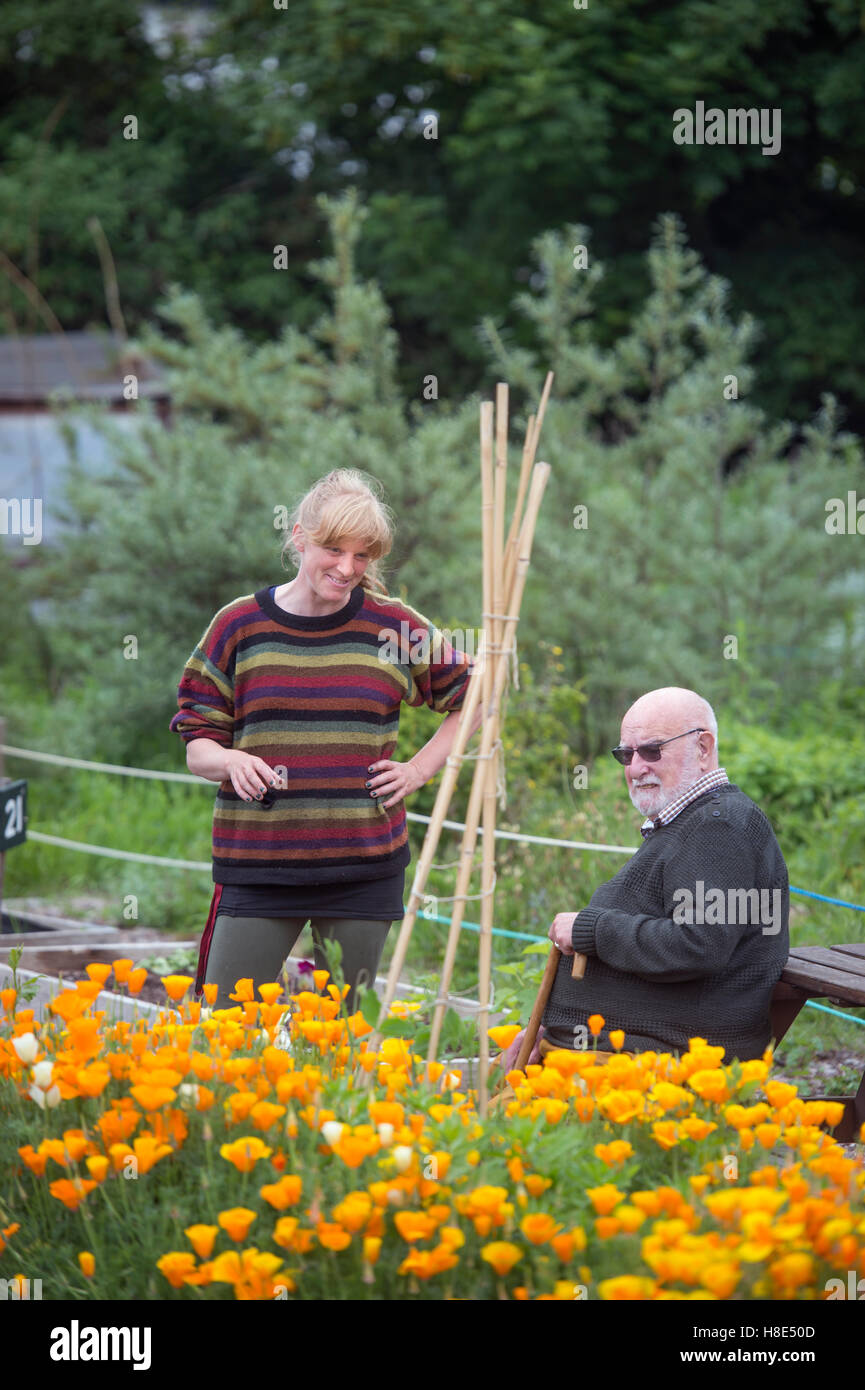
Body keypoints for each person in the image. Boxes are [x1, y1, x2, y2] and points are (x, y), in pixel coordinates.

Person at [170, 469, 480, 1011]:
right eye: (333, 549)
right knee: (224, 1031)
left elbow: (477, 694)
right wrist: (230, 760)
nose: (346, 568)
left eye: (363, 556)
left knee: (343, 1040)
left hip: (364, 868)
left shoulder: (394, 626)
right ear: (298, 537)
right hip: (259, 868)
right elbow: (198, 744)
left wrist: (418, 769)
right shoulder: (238, 626)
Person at [502, 686, 789, 1068]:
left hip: (664, 1061)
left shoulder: (720, 826)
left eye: (652, 750)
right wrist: (553, 1028)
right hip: (608, 1048)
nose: (636, 767)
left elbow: (699, 944)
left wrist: (592, 930)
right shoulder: (690, 822)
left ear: (703, 748)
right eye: (626, 754)